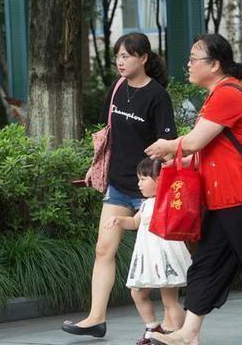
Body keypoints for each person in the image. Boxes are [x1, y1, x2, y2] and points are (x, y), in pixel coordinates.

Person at [145, 34, 242, 345]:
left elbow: (196, 141)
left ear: (215, 64)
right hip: (224, 199)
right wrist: (177, 156)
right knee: (207, 264)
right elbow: (204, 147)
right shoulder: (217, 95)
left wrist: (168, 146)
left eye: (194, 59)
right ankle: (188, 332)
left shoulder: (229, 94)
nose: (188, 64)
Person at [61, 32, 178, 338]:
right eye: (118, 57)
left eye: (127, 56)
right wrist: (94, 166)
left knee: (161, 259)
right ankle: (95, 318)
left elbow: (167, 144)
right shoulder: (116, 89)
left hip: (149, 189)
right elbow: (108, 134)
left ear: (144, 58)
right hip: (117, 185)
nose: (121, 62)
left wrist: (158, 181)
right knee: (104, 249)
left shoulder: (157, 96)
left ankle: (174, 329)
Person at [104, 157, 191, 345]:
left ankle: (183, 335)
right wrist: (119, 220)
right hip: (148, 257)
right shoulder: (146, 203)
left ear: (159, 179)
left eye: (143, 178)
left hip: (166, 256)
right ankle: (152, 326)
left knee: (170, 301)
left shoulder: (167, 199)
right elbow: (135, 222)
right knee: (137, 292)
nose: (139, 183)